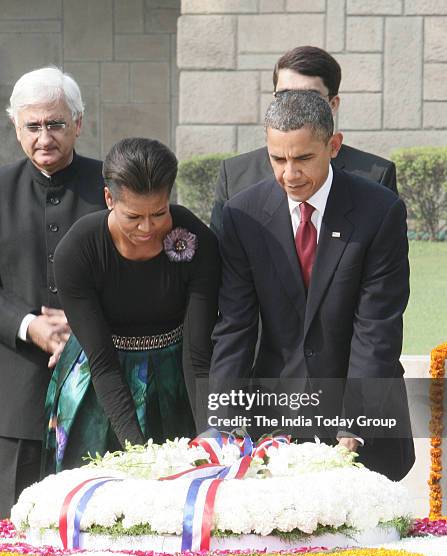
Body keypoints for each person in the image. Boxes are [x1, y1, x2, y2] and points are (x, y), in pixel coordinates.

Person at [210, 90, 414, 481]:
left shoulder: (380, 211)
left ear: (333, 146)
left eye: (303, 158)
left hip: (362, 418)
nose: (290, 173)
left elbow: (377, 326)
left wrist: (354, 427)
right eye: (278, 158)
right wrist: (225, 420)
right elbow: (235, 325)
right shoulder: (242, 215)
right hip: (275, 417)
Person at [43, 137, 220, 473]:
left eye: (159, 213)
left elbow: (198, 356)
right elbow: (103, 362)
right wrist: (138, 453)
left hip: (173, 376)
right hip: (99, 378)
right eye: (134, 216)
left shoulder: (199, 240)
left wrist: (210, 435)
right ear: (109, 198)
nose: (148, 228)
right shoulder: (77, 252)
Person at [0, 66, 105, 517]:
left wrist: (85, 324)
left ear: (78, 123)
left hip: (100, 393)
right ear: (16, 127)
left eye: (56, 123)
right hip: (14, 400)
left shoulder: (113, 187)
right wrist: (29, 326)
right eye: (33, 126)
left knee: (93, 534)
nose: (45, 136)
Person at [210, 46, 398, 235]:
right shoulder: (236, 176)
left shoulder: (374, 177)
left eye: (309, 97)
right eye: (284, 95)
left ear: (333, 104)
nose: (295, 105)